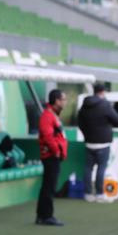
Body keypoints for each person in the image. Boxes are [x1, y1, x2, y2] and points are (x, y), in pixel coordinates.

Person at [77, 83, 118, 203]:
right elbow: (116, 118)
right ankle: (100, 194)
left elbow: (79, 121)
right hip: (103, 143)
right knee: (101, 168)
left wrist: (86, 134)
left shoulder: (85, 105)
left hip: (89, 142)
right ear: (102, 92)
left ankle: (88, 194)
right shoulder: (105, 104)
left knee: (88, 168)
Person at [36, 89, 68, 226]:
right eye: (63, 99)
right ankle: (46, 216)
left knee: (48, 186)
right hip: (50, 156)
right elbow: (48, 137)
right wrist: (56, 151)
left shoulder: (52, 114)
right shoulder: (48, 116)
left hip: (53, 155)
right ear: (56, 101)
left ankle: (42, 215)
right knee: (49, 187)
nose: (65, 102)